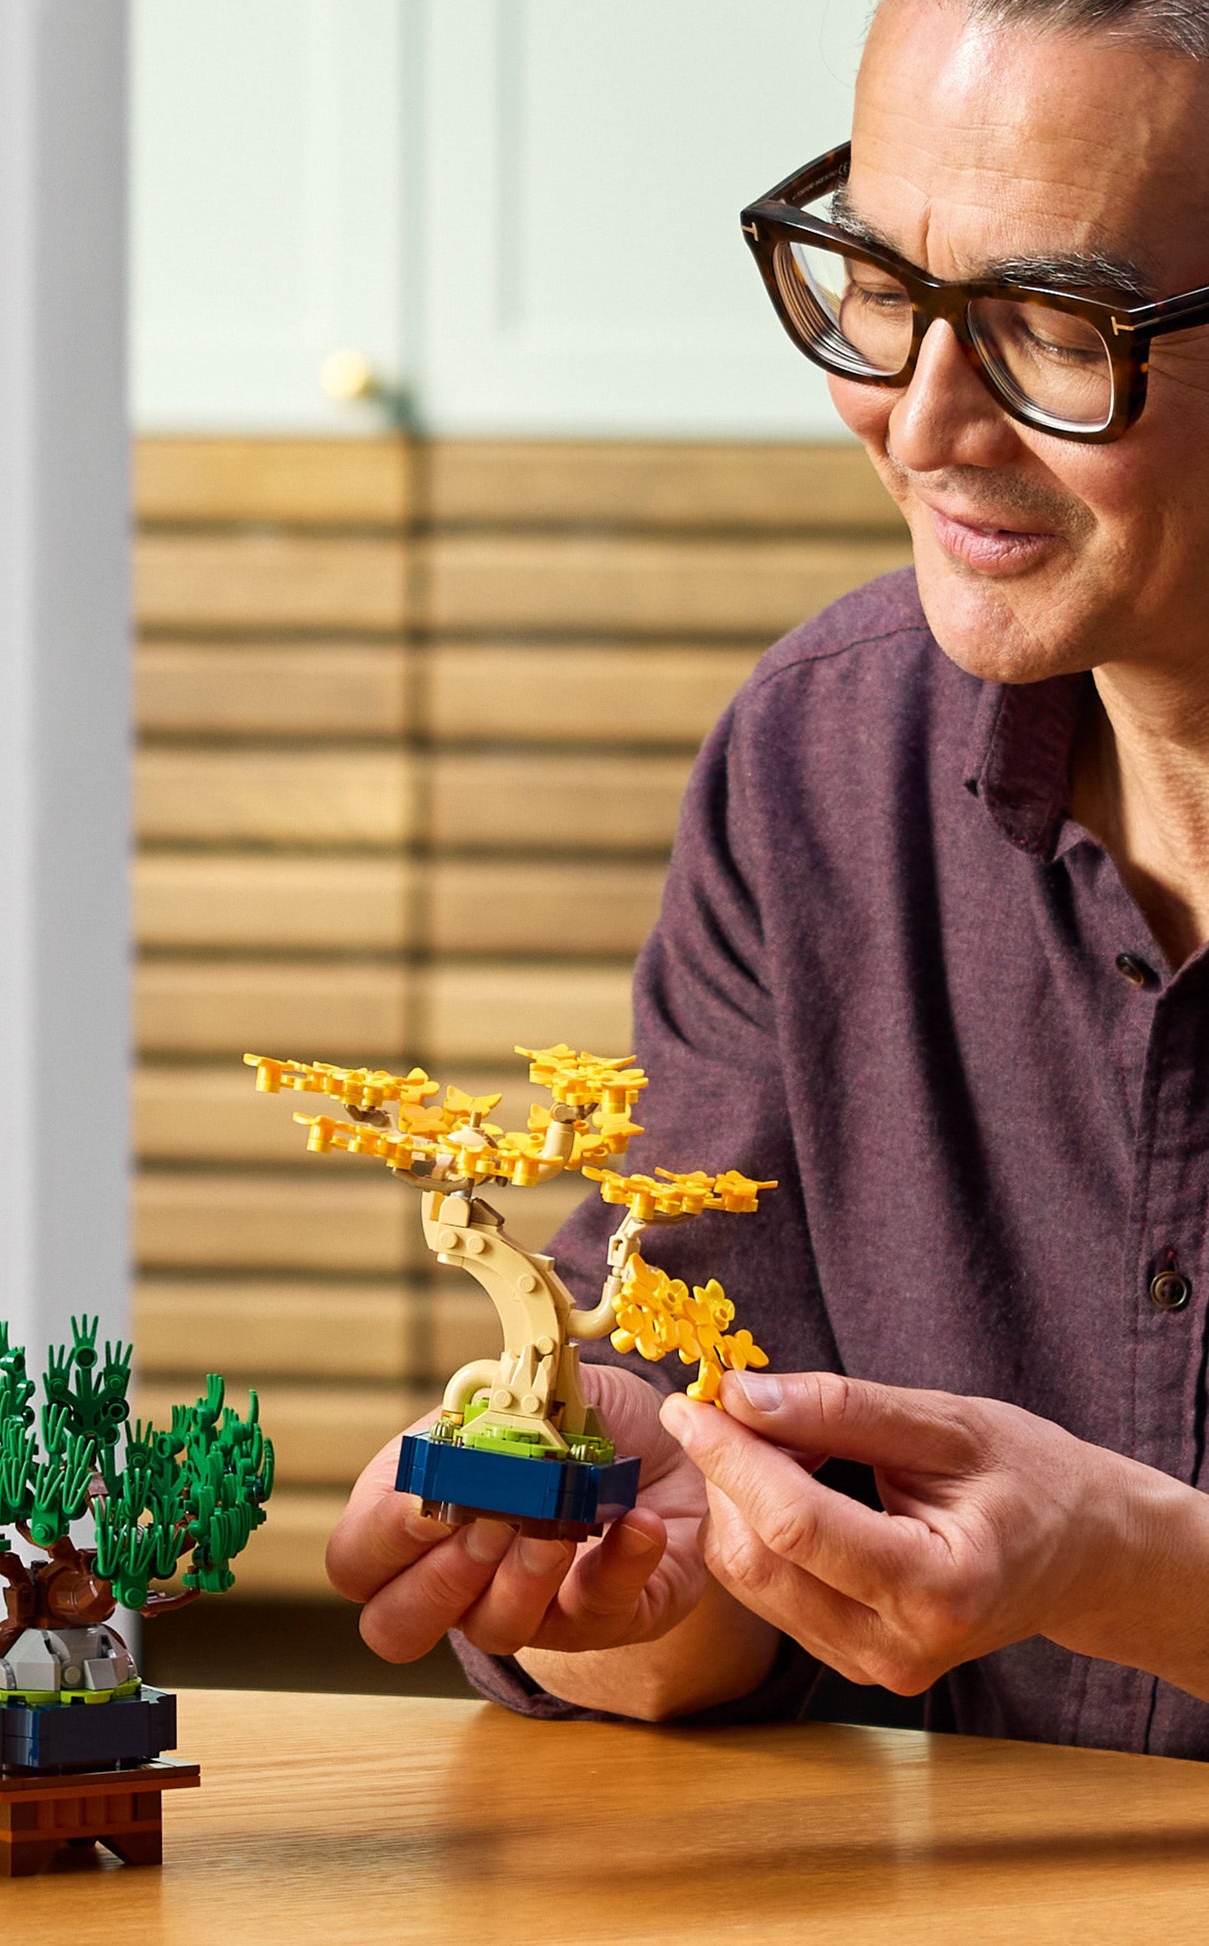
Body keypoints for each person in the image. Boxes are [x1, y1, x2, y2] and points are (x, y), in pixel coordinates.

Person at [324, 0, 1209, 1758]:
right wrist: (659, 1580)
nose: (921, 423)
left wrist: (1139, 1571)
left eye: (1052, 327)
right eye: (875, 286)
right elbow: (704, 1493)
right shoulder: (821, 766)